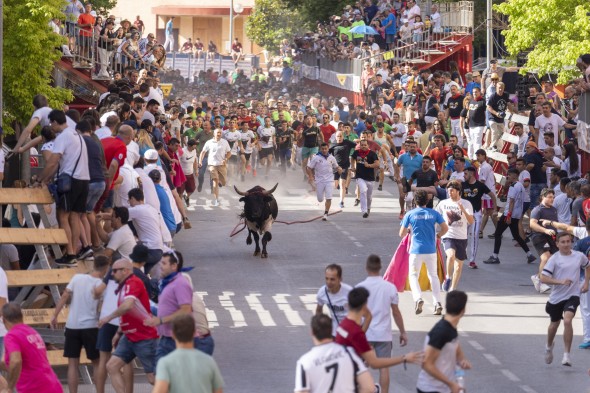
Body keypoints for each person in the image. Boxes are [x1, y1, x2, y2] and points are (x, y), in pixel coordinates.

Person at [35, 109, 90, 266]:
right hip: (83, 180)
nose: (51, 127)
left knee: (62, 215)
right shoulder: (77, 135)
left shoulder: (62, 137)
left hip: (70, 181)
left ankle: (70, 253)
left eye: (51, 123)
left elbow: (53, 162)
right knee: (74, 216)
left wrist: (41, 179)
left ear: (55, 122)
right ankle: (75, 252)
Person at [335, 287, 423, 383]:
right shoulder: (357, 333)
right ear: (364, 306)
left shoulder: (343, 325)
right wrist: (404, 358)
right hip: (348, 381)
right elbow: (374, 363)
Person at [50, 256, 109, 393]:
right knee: (97, 363)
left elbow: (65, 296)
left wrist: (55, 315)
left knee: (72, 364)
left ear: (94, 265)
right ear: (106, 268)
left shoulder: (77, 278)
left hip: (72, 326)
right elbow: (103, 307)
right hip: (90, 326)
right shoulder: (101, 285)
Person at [99, 259, 159, 391]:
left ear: (126, 271)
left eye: (115, 271)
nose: (112, 273)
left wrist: (108, 317)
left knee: (152, 378)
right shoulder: (124, 286)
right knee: (112, 366)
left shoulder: (134, 283)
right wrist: (119, 333)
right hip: (129, 336)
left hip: (144, 336)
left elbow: (127, 306)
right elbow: (129, 313)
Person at [356, 255, 409, 393]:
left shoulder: (360, 288)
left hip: (365, 333)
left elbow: (355, 314)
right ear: (380, 268)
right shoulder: (390, 288)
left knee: (362, 366)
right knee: (384, 367)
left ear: (366, 268)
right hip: (384, 335)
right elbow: (396, 312)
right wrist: (402, 331)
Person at [541, 233, 590, 367]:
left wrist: (586, 283)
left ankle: (566, 355)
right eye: (563, 242)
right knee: (554, 325)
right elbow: (543, 278)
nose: (566, 244)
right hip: (556, 297)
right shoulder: (554, 259)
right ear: (557, 244)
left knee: (568, 320)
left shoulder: (579, 256)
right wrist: (560, 281)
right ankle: (549, 347)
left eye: (568, 241)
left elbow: (587, 266)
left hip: (573, 295)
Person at [295, 314, 374, 393]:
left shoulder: (304, 362)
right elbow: (369, 387)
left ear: (312, 332)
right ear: (332, 330)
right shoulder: (349, 353)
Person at [400, 190, 448, 315]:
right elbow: (445, 228)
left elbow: (401, 233)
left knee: (413, 276)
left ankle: (418, 298)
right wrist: (438, 236)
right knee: (433, 275)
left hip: (416, 250)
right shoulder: (434, 213)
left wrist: (409, 232)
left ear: (415, 201)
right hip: (431, 250)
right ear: (427, 201)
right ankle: (437, 302)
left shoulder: (410, 214)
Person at [144, 250, 194, 364]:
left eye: (164, 264)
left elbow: (185, 310)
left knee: (168, 377)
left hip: (177, 339)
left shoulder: (180, 283)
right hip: (166, 337)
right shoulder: (168, 282)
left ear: (174, 266)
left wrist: (161, 320)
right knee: (161, 376)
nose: (160, 266)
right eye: (161, 263)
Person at [416, 291, 471, 393]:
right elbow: (427, 364)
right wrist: (451, 384)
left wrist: (462, 359)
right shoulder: (441, 332)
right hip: (431, 389)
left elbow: (455, 345)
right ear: (463, 310)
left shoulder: (451, 327)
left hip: (443, 388)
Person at [153, 314, 224, 393]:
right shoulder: (208, 361)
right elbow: (218, 390)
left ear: (173, 334)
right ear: (194, 332)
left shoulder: (165, 363)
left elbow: (160, 390)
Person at [3, 303, 62, 393]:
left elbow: (16, 361)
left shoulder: (12, 335)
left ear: (3, 320)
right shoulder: (32, 332)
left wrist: (10, 387)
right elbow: (6, 362)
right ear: (22, 316)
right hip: (52, 384)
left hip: (34, 387)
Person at [483, 169, 537, 264]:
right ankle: (529, 254)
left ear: (514, 175)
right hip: (516, 214)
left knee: (498, 234)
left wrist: (508, 215)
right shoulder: (521, 186)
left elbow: (511, 201)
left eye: (509, 175)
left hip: (509, 214)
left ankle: (495, 256)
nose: (508, 177)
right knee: (516, 235)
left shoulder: (513, 186)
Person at [435, 180, 474, 292]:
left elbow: (471, 221)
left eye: (452, 191)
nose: (450, 193)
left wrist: (463, 210)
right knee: (451, 256)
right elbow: (435, 216)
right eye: (448, 191)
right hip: (448, 235)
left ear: (458, 191)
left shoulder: (466, 204)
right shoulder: (443, 203)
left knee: (458, 266)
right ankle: (448, 277)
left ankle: (453, 288)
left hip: (462, 238)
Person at [461, 166, 495, 269]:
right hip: (464, 214)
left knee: (475, 236)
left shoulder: (480, 185)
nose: (464, 176)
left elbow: (492, 195)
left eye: (466, 174)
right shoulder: (462, 185)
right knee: (463, 236)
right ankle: (462, 254)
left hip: (476, 214)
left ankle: (472, 260)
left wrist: (495, 209)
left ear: (471, 174)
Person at [127, 188, 165, 274]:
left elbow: (118, 214)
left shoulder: (137, 209)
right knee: (142, 275)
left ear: (132, 198)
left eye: (129, 200)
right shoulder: (151, 209)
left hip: (150, 250)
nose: (129, 203)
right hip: (158, 249)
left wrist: (102, 215)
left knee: (127, 261)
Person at [529, 188, 559, 293]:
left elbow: (555, 225)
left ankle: (537, 277)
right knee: (546, 257)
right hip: (539, 236)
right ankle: (541, 281)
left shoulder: (554, 209)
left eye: (553, 197)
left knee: (556, 259)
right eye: (549, 197)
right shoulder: (537, 210)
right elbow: (532, 224)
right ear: (543, 197)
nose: (552, 199)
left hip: (552, 237)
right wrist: (545, 230)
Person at [307, 143, 342, 221]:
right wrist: (311, 176)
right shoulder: (316, 158)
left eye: (325, 149)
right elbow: (309, 168)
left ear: (328, 148)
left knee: (329, 198)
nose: (324, 150)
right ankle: (320, 195)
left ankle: (326, 214)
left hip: (329, 180)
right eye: (322, 149)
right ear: (320, 149)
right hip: (319, 181)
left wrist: (339, 169)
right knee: (320, 199)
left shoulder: (332, 158)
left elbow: (336, 167)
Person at [315, 264, 352, 337]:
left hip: (351, 330)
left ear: (340, 279)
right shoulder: (322, 293)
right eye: (327, 278)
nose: (329, 282)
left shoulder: (349, 292)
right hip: (336, 331)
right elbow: (318, 310)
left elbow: (360, 313)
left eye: (332, 279)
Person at [199, 129, 231, 207]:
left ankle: (220, 181)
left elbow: (229, 152)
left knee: (223, 182)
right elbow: (203, 152)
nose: (219, 134)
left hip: (222, 164)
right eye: (217, 133)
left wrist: (226, 159)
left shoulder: (225, 142)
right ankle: (216, 199)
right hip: (212, 164)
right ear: (214, 134)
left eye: (220, 133)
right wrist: (200, 161)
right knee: (215, 181)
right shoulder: (209, 142)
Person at [351, 140, 380, 218]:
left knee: (369, 196)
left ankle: (368, 208)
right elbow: (352, 158)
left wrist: (369, 165)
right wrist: (353, 166)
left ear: (368, 146)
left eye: (365, 145)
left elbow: (377, 164)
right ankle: (364, 211)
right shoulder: (357, 152)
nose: (363, 146)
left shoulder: (372, 154)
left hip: (370, 178)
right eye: (362, 145)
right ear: (360, 146)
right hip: (360, 176)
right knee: (363, 190)